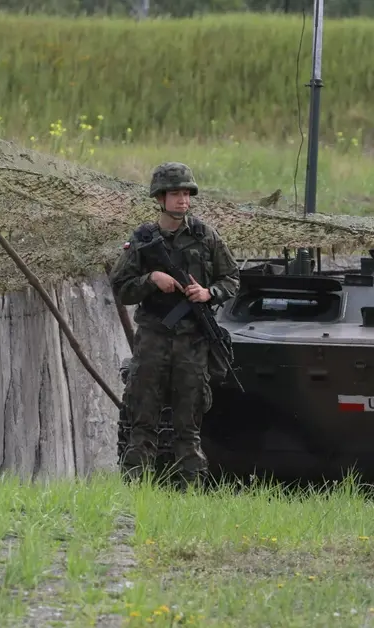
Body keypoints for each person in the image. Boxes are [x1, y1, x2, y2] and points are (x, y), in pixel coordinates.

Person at [109, 162, 240, 487]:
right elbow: (121, 287)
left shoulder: (205, 235)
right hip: (153, 338)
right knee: (143, 422)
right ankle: (135, 492)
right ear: (160, 198)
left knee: (188, 427)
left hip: (192, 342)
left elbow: (232, 278)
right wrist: (152, 279)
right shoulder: (142, 239)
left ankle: (189, 494)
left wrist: (208, 293)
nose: (183, 200)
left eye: (186, 194)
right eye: (175, 194)